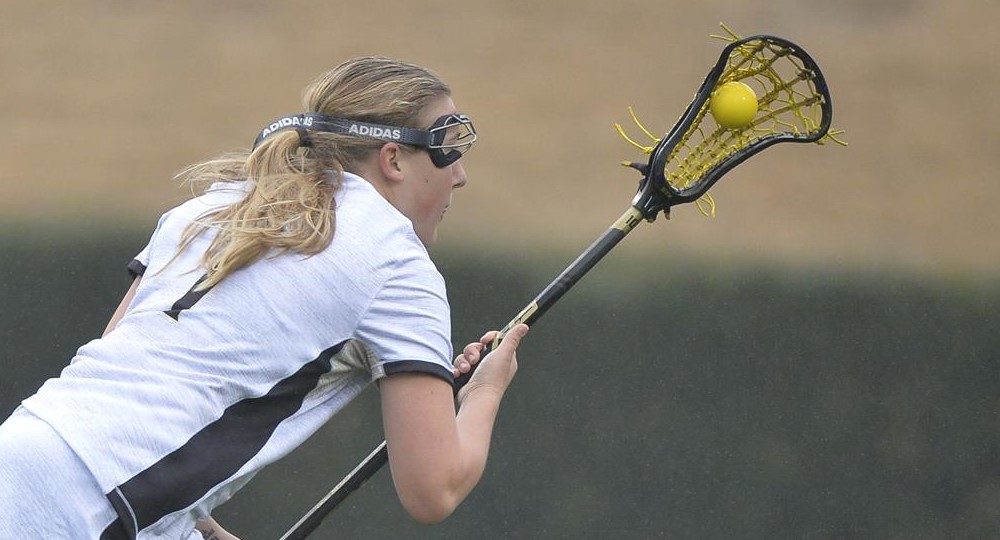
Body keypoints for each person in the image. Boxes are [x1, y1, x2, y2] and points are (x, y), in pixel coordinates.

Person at [0, 56, 529, 539]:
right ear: (392, 158)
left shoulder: (217, 204)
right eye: (446, 151)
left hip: (26, 448)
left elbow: (122, 367)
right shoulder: (398, 263)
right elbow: (433, 489)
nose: (460, 176)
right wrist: (484, 391)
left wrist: (190, 525)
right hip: (87, 508)